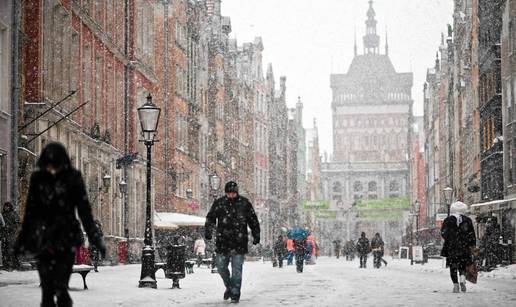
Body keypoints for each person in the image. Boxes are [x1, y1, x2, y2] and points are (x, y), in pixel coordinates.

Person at [15, 142, 105, 307]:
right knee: (47, 291)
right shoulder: (38, 178)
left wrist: (95, 238)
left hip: (67, 240)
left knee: (61, 288)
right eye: (48, 165)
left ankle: (64, 301)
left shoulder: (74, 178)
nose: (52, 170)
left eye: (55, 165)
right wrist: (22, 239)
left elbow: (85, 212)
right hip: (43, 241)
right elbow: (30, 212)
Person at [205, 181, 260, 303]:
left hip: (239, 243)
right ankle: (229, 286)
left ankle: (235, 293)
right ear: (226, 193)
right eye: (229, 193)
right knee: (220, 267)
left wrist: (256, 235)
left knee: (237, 270)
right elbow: (211, 218)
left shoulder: (244, 203)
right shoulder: (219, 203)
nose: (231, 195)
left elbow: (253, 220)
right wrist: (208, 231)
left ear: (237, 192)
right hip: (222, 241)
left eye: (233, 193)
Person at [441, 201, 476, 293]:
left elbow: (443, 233)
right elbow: (472, 235)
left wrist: (450, 238)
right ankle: (462, 279)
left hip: (451, 248)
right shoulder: (467, 220)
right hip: (464, 248)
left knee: (453, 267)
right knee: (463, 266)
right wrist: (472, 245)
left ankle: (455, 285)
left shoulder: (448, 220)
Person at [1, 202, 20, 270]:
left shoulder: (14, 214)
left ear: (10, 207)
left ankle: (13, 264)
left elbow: (17, 224)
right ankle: (5, 264)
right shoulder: (2, 214)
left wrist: (10, 228)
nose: (6, 208)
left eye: (7, 206)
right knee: (4, 249)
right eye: (5, 206)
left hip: (11, 234)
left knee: (10, 249)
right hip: (4, 234)